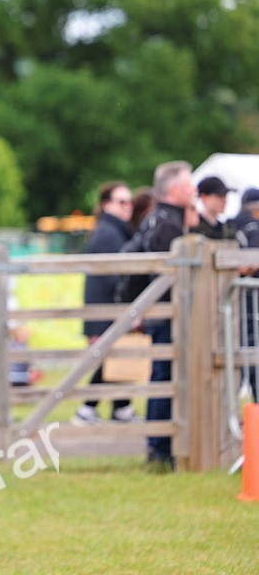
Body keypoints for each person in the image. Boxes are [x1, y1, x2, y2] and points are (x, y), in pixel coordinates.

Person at [130, 161, 195, 470]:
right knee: (163, 378)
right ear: (174, 189)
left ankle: (160, 446)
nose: (194, 189)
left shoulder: (157, 219)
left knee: (162, 376)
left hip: (159, 311)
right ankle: (159, 447)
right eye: (189, 184)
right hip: (166, 313)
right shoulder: (167, 223)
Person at [72, 181, 136, 426]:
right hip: (106, 312)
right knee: (110, 360)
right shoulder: (110, 233)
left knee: (114, 360)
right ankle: (87, 409)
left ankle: (122, 408)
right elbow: (114, 278)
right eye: (121, 201)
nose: (127, 207)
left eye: (128, 201)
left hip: (106, 311)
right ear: (107, 205)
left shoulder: (112, 230)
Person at [234, 187, 259, 401]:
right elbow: (250, 263)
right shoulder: (253, 228)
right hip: (250, 304)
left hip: (231, 304)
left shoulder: (231, 224)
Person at [191, 176, 236, 240]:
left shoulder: (227, 230)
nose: (225, 201)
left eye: (225, 196)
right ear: (204, 197)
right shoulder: (194, 227)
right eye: (220, 196)